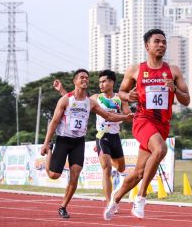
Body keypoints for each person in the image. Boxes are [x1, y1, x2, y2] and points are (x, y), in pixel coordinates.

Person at [104, 29, 190, 220]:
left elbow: (187, 100)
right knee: (160, 150)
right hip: (143, 120)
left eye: (164, 42)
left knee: (139, 173)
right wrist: (129, 96)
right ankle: (141, 198)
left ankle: (115, 200)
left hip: (162, 125)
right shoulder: (136, 69)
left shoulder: (173, 71)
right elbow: (121, 92)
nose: (161, 45)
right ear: (147, 46)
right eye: (157, 42)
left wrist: (174, 89)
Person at [41, 69, 133, 218]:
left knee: (75, 174)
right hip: (63, 140)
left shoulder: (90, 102)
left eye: (87, 78)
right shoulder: (68, 99)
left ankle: (63, 206)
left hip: (79, 142)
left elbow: (108, 115)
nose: (85, 80)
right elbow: (56, 120)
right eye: (82, 78)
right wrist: (46, 143)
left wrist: (127, 117)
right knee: (53, 175)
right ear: (75, 81)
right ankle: (51, 151)